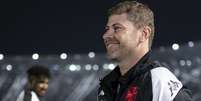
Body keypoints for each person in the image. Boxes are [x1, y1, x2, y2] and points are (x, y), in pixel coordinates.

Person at [98, 1, 192, 101]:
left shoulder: (158, 81)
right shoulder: (109, 86)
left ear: (144, 34)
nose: (105, 36)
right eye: (107, 29)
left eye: (117, 28)